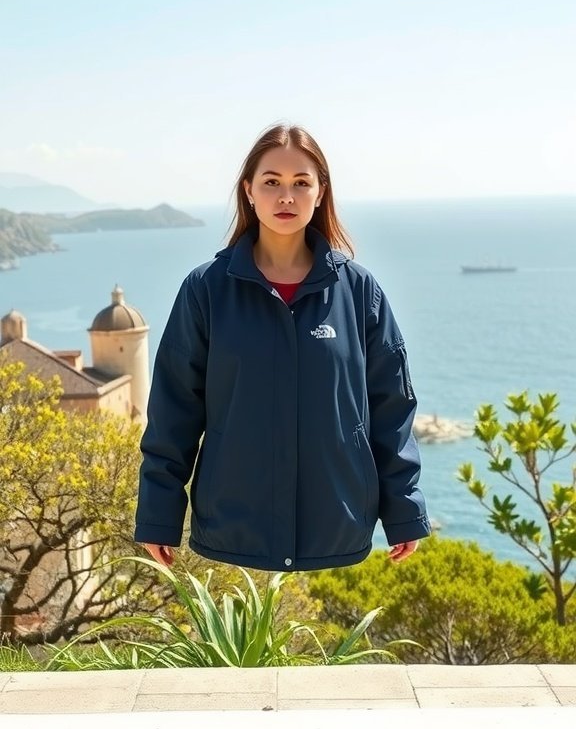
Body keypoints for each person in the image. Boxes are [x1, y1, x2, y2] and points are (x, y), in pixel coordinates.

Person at [134, 124, 431, 572]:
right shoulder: (206, 290)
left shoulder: (359, 291)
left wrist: (405, 512)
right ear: (249, 191)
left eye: (300, 183)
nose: (286, 197)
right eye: (271, 182)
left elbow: (391, 408)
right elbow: (174, 410)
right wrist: (159, 516)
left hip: (338, 534)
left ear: (321, 191)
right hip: (232, 539)